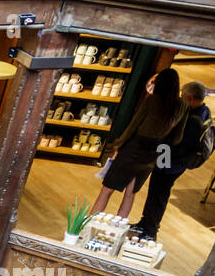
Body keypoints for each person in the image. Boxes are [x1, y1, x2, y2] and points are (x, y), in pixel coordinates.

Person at [90, 67, 186, 219]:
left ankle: (88, 224)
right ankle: (116, 230)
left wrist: (117, 145)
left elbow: (133, 126)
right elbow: (177, 138)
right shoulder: (182, 106)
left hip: (134, 148)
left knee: (107, 189)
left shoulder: (152, 100)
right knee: (130, 193)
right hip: (153, 153)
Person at [134, 81, 211, 240]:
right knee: (156, 191)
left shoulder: (193, 120)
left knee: (159, 193)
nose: (181, 98)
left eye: (183, 96)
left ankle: (150, 229)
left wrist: (161, 159)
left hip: (170, 162)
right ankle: (146, 222)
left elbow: (177, 145)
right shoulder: (204, 112)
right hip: (174, 161)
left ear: (190, 98)